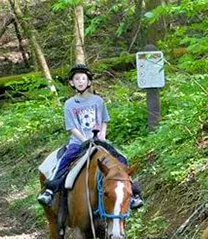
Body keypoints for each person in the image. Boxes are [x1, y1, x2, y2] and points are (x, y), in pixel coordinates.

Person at [37, 63, 143, 209]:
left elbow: (104, 120)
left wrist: (102, 136)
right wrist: (85, 140)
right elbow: (72, 127)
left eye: (83, 78)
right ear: (71, 82)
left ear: (89, 81)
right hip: (78, 141)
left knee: (121, 158)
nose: (80, 81)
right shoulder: (69, 104)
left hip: (99, 141)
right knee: (66, 159)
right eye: (77, 79)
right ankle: (50, 189)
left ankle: (133, 192)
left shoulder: (98, 101)